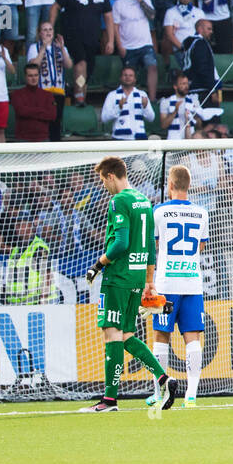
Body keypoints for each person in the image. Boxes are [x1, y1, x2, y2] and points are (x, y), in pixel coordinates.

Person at [81, 156, 174, 413]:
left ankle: (109, 400)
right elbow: (149, 247)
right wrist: (149, 282)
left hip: (118, 277)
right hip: (136, 278)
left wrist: (98, 264)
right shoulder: (144, 201)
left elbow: (120, 243)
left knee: (111, 334)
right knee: (127, 335)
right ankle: (164, 378)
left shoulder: (118, 201)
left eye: (103, 181)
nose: (104, 187)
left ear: (111, 176)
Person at [146, 166, 208, 408]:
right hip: (192, 282)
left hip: (166, 283)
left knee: (162, 337)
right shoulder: (201, 213)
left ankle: (159, 392)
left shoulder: (159, 211)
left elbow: (154, 245)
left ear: (170, 185)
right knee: (193, 338)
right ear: (188, 185)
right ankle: (191, 395)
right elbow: (200, 246)